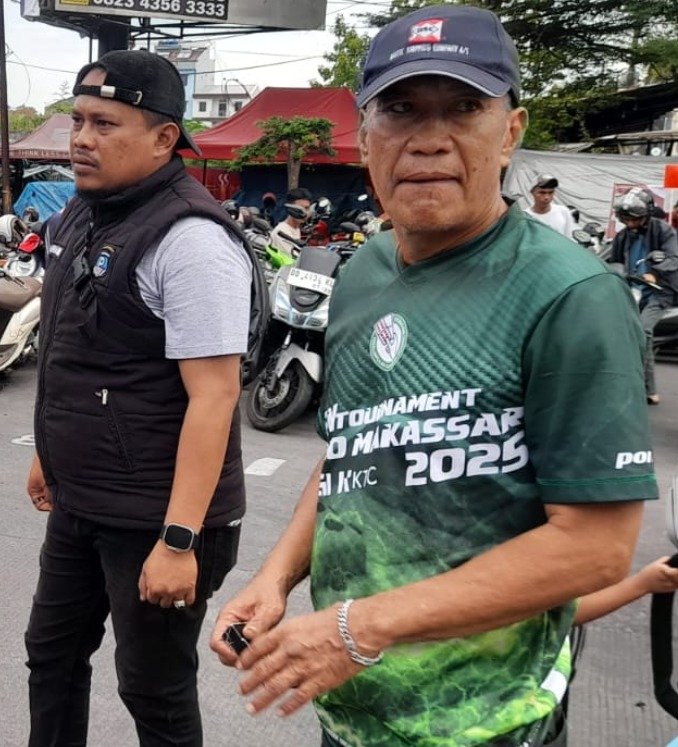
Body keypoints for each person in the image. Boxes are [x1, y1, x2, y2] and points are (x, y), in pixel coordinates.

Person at [210, 7, 656, 746]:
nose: (427, 139)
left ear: (509, 130)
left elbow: (596, 546)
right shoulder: (364, 273)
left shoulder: (567, 296)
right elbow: (354, 452)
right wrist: (275, 577)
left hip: (484, 722)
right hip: (355, 710)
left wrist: (357, 626)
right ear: (364, 135)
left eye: (463, 108)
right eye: (400, 109)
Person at [24, 50, 252, 746]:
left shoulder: (191, 241)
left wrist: (179, 539)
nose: (82, 138)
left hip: (160, 519)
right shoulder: (81, 215)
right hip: (82, 500)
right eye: (79, 121)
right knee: (52, 655)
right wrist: (48, 453)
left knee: (153, 688)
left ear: (163, 138)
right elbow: (73, 351)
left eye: (105, 123)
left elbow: (215, 397)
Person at [612, 189, 678, 406]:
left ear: (646, 214)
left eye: (634, 218)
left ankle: (649, 388)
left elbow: (674, 257)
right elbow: (614, 261)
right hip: (632, 290)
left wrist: (655, 272)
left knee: (643, 331)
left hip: (659, 291)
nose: (630, 223)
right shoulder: (623, 236)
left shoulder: (663, 230)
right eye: (626, 218)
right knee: (622, 333)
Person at [524, 174, 575, 238]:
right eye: (542, 192)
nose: (546, 197)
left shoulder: (563, 212)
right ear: (532, 192)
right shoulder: (525, 216)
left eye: (551, 192)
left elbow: (570, 239)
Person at [270, 187, 313, 252]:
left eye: (307, 208)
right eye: (300, 208)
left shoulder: (297, 228)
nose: (304, 212)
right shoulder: (281, 232)